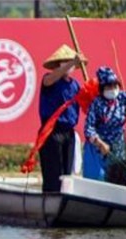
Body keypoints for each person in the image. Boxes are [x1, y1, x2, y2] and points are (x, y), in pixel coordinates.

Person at [38, 44, 85, 192]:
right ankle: (50, 199)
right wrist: (72, 62)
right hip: (51, 132)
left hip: (68, 133)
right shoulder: (49, 79)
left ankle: (64, 201)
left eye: (71, 62)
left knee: (66, 174)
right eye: (65, 62)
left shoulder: (75, 85)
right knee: (53, 173)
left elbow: (85, 103)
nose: (69, 66)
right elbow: (49, 80)